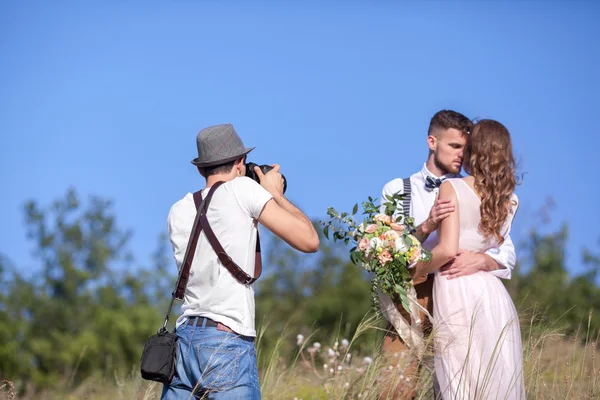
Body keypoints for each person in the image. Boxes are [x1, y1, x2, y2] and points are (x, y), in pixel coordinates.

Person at [161, 123, 319, 399]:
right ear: (240, 163)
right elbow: (309, 240)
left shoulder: (179, 210)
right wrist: (276, 194)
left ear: (200, 169)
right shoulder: (244, 190)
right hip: (225, 341)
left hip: (183, 342)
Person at [379, 110, 516, 399]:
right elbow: (387, 251)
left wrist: (483, 259)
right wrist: (426, 226)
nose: (461, 155)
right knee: (397, 385)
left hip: (457, 292)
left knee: (457, 381)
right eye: (455, 146)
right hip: (412, 298)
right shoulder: (398, 190)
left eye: (466, 149)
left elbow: (505, 250)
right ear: (432, 142)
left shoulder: (477, 191)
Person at [413, 118, 525, 399]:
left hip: (456, 287)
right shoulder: (509, 200)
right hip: (493, 295)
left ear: (474, 151)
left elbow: (448, 250)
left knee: (459, 379)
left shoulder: (453, 188)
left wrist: (414, 267)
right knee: (493, 377)